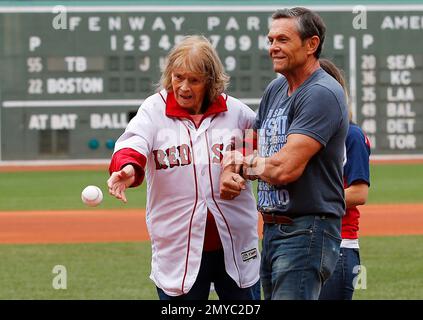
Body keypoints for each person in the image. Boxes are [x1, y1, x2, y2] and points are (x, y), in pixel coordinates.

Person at [107, 35, 260, 300]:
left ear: (211, 81)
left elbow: (260, 150)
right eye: (178, 77)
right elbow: (135, 141)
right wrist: (129, 168)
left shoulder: (237, 113)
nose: (183, 87)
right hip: (178, 245)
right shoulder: (154, 111)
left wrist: (241, 166)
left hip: (235, 243)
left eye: (194, 80)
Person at [220, 7, 349, 300]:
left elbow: (285, 169)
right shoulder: (276, 89)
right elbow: (249, 140)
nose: (273, 48)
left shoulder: (321, 93)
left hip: (307, 230)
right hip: (275, 229)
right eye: (270, 40)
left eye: (283, 40)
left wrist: (243, 164)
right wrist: (230, 171)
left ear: (311, 44)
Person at [318, 59, 371, 300]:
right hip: (302, 243)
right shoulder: (301, 135)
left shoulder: (352, 135)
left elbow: (359, 193)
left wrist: (312, 202)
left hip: (338, 245)